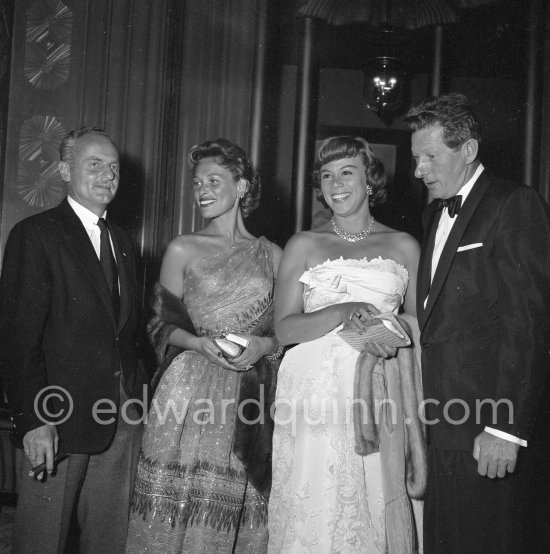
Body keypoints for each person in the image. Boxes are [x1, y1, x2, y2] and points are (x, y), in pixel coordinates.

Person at [406, 92, 550, 553]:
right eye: (416, 157)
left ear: (467, 150)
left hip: (488, 428)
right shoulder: (433, 213)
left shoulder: (515, 203)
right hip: (441, 424)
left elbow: (527, 323)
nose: (418, 170)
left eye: (430, 156)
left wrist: (506, 428)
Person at [268, 136, 426, 553]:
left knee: (374, 498)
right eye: (327, 175)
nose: (336, 183)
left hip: (379, 394)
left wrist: (389, 325)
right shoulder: (303, 244)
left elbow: (420, 331)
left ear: (370, 180)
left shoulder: (404, 245)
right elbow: (283, 330)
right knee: (315, 503)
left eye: (347, 172)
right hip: (313, 393)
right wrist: (343, 310)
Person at [125, 138, 284, 553]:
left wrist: (265, 342)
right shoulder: (183, 247)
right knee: (174, 505)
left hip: (250, 393)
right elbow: (158, 325)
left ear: (243, 187)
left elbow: (287, 330)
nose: (202, 191)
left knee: (235, 512)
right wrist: (196, 342)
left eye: (214, 180)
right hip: (188, 390)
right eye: (197, 184)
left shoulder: (274, 255)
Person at [0, 126, 148, 553]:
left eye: (114, 167)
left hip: (120, 417)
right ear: (65, 170)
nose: (107, 175)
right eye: (95, 164)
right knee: (42, 540)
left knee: (108, 540)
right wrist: (34, 421)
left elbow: (126, 333)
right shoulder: (37, 234)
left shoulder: (122, 242)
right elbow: (18, 339)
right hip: (58, 420)